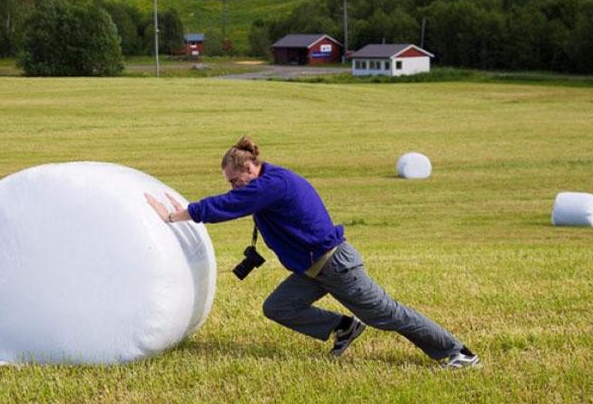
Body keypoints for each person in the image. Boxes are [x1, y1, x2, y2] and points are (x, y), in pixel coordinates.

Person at [144, 137, 480, 368]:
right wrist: (189, 208)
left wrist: (177, 214)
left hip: (335, 267)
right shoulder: (266, 182)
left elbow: (228, 205)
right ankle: (344, 328)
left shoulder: (273, 185)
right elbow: (234, 200)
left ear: (250, 169)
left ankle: (458, 352)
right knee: (278, 306)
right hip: (312, 270)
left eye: (235, 180)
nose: (233, 186)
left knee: (387, 314)